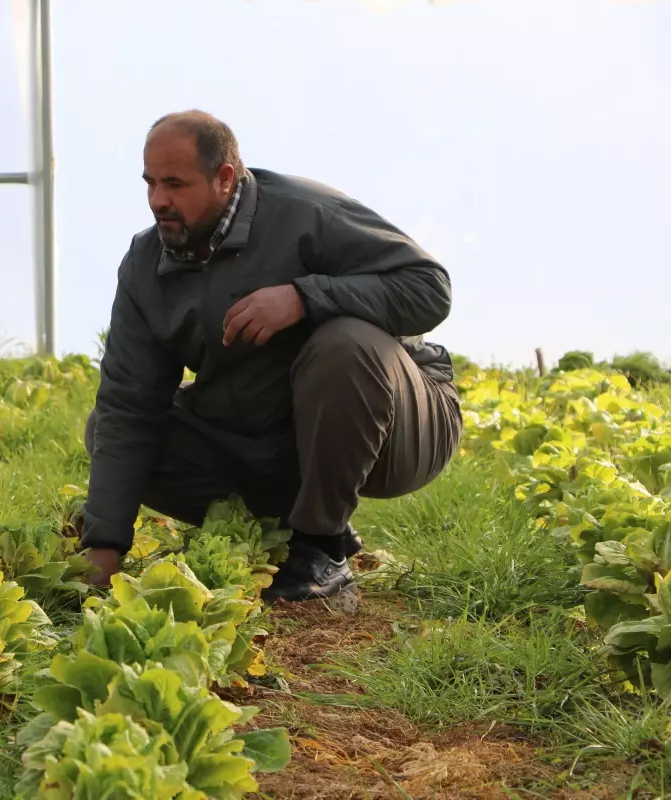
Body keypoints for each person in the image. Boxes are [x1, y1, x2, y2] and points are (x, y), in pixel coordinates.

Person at [79, 110, 463, 602]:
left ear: (224, 178)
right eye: (150, 183)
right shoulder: (144, 266)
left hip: (403, 426)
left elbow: (430, 289)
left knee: (344, 344)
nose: (158, 201)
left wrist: (305, 298)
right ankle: (298, 525)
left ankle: (321, 542)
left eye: (175, 184)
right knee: (107, 428)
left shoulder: (310, 213)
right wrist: (104, 546)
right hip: (271, 436)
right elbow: (129, 405)